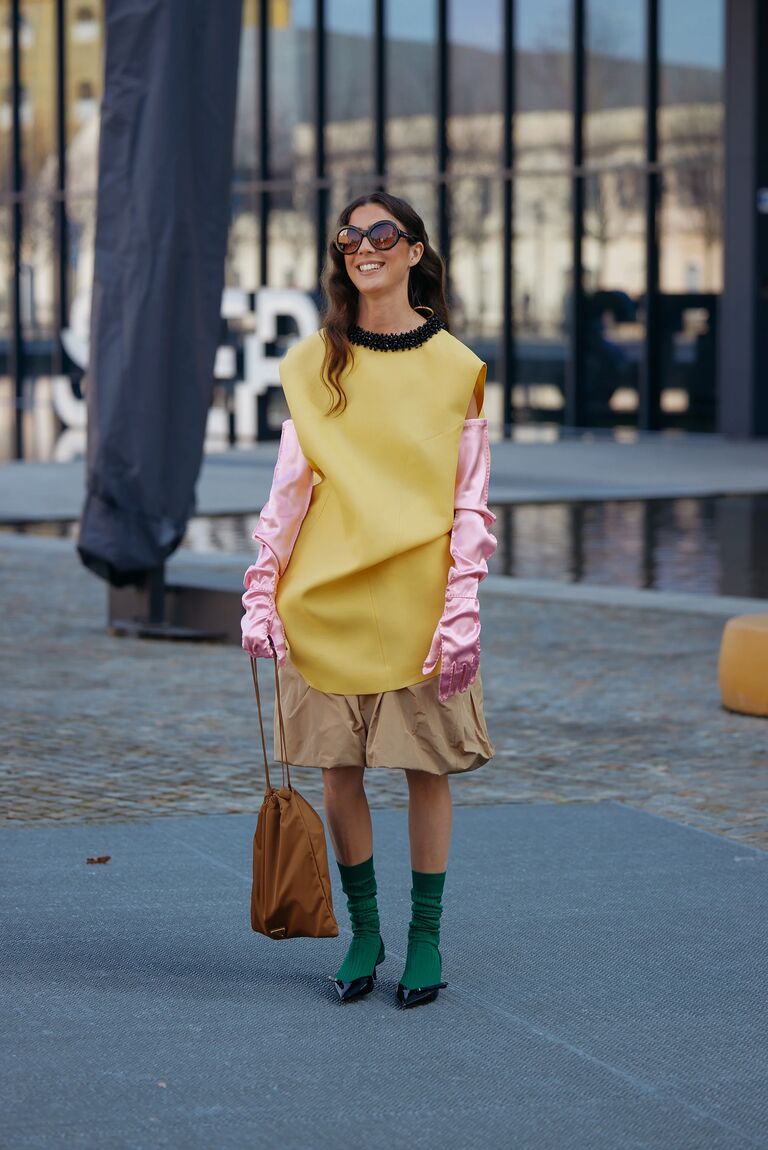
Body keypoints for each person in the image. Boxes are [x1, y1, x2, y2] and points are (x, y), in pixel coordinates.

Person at [241, 191, 497, 1009]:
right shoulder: (315, 362)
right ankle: (365, 932)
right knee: (338, 772)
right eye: (350, 236)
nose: (365, 246)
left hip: (422, 602)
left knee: (426, 769)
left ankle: (425, 939)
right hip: (322, 599)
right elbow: (290, 489)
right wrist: (260, 587)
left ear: (415, 250)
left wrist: (463, 608)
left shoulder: (457, 367)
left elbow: (470, 502)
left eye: (383, 233)